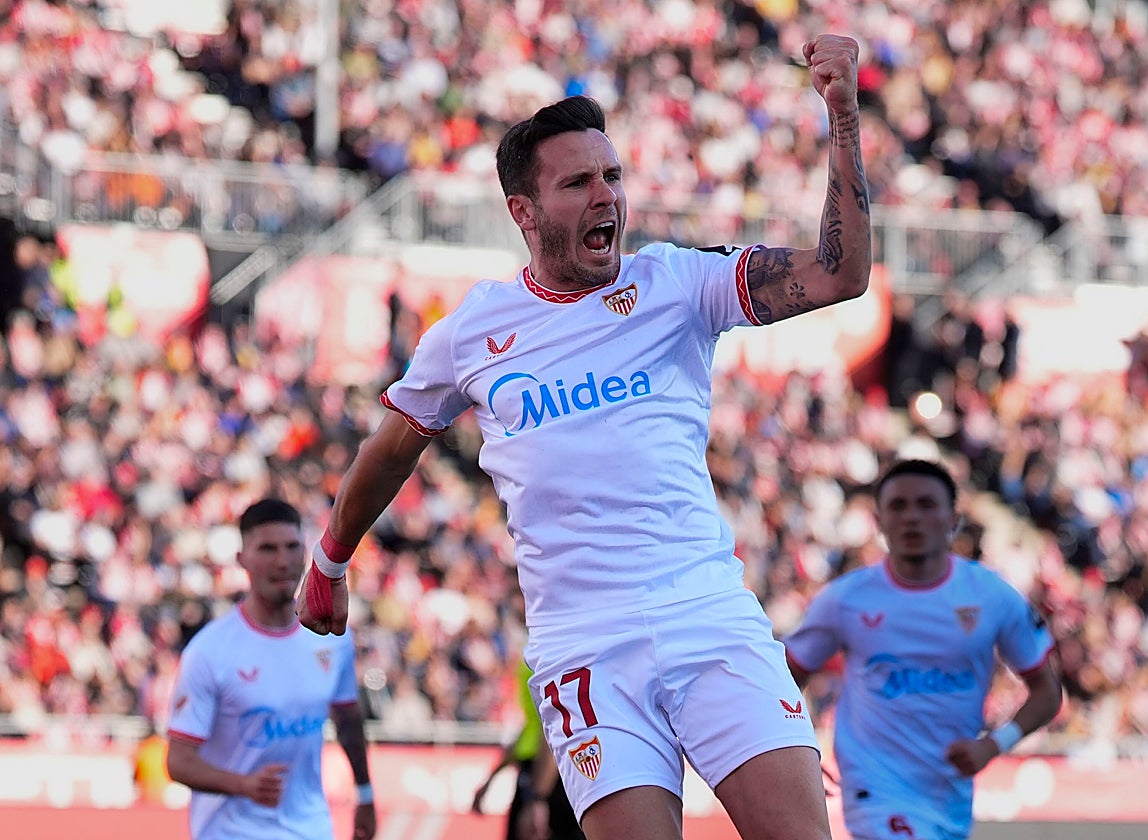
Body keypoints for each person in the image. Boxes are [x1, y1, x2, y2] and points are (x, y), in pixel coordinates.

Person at [298, 33, 870, 840]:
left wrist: (842, 118)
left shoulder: (678, 283)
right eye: (579, 183)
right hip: (584, 646)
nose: (607, 197)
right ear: (523, 213)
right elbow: (393, 447)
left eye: (613, 176)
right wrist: (329, 558)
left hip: (706, 615)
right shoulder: (470, 333)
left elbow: (840, 275)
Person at [782, 459, 1063, 840]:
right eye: (898, 506)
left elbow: (1047, 692)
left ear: (953, 518)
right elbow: (782, 680)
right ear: (879, 521)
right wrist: (794, 751)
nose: (912, 517)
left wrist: (995, 745)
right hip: (875, 785)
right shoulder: (846, 600)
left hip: (948, 793)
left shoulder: (991, 596)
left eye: (926, 505)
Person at [167, 498, 377, 840]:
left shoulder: (332, 637)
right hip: (231, 833)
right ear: (242, 559)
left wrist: (365, 795)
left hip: (310, 829)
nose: (282, 561)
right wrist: (243, 785)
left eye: (292, 547)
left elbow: (348, 719)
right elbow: (178, 761)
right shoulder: (209, 651)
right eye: (267, 549)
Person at [472, 660, 584, 840]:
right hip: (542, 772)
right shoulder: (536, 656)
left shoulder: (545, 658)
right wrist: (490, 779)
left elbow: (553, 730)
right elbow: (531, 730)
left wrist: (538, 799)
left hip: (547, 777)